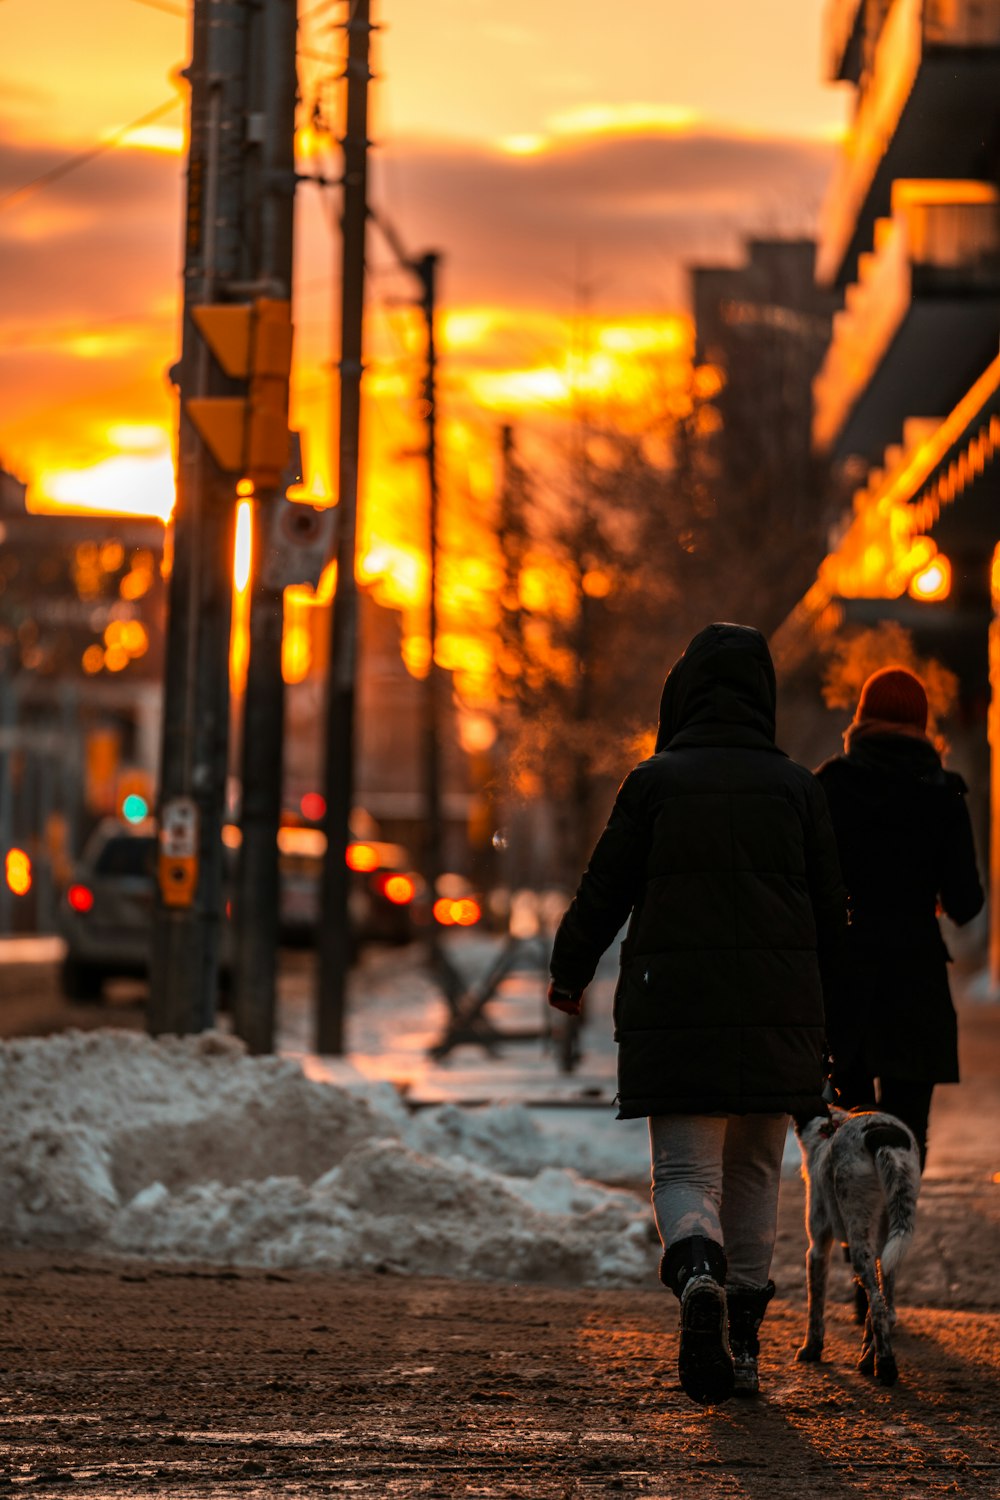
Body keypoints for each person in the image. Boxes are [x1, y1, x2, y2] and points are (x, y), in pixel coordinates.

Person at [547, 623, 846, 1406]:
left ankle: (698, 1273)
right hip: (781, 1016)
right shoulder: (799, 789)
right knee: (754, 1173)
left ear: (680, 695)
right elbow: (829, 916)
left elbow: (603, 888)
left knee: (685, 1173)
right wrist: (834, 1024)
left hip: (675, 1010)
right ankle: (743, 1346)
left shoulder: (654, 783)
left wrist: (568, 975)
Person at [815, 665, 984, 1170]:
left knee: (848, 1119)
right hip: (916, 978)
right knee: (907, 1128)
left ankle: (855, 1234)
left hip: (848, 977)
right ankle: (894, 1226)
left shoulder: (829, 785)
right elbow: (966, 902)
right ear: (923, 723)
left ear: (862, 717)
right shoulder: (942, 792)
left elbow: (811, 885)